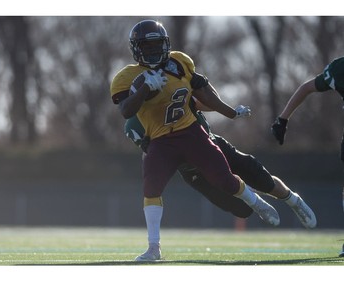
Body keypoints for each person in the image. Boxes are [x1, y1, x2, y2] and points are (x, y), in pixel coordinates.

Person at [111, 19, 278, 262]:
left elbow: (203, 91)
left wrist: (230, 112)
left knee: (226, 180)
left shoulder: (179, 61)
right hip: (160, 139)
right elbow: (126, 111)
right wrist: (144, 89)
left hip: (190, 132)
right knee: (151, 188)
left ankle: (256, 201)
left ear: (166, 44)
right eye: (147, 47)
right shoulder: (127, 77)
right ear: (136, 49)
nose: (154, 51)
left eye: (157, 45)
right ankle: (153, 248)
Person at [125, 99, 317, 227]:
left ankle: (293, 200)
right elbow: (151, 154)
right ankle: (249, 194)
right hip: (193, 170)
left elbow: (200, 102)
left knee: (263, 180)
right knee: (242, 210)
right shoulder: (133, 124)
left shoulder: (169, 92)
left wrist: (230, 111)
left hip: (213, 147)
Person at [271, 56, 344, 257]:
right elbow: (306, 87)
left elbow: (306, 88)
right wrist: (283, 119)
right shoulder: (340, 69)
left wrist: (283, 119)